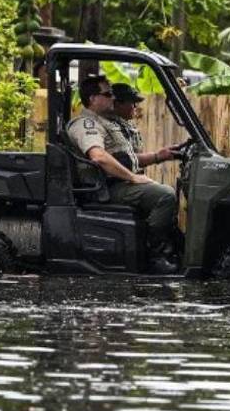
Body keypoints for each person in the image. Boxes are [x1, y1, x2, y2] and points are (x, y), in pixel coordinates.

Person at [66, 73, 179, 274]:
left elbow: (125, 158)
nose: (113, 98)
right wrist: (133, 177)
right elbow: (98, 156)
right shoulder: (86, 124)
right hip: (105, 189)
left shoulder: (107, 123)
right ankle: (155, 256)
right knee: (165, 196)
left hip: (117, 184)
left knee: (160, 191)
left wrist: (158, 156)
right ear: (93, 99)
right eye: (108, 94)